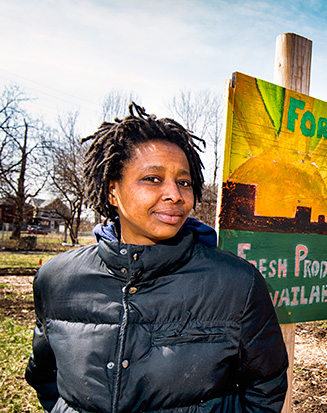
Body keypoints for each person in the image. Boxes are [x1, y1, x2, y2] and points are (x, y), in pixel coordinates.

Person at [25, 104, 288, 412]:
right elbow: (45, 377)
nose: (174, 194)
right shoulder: (57, 279)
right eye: (152, 178)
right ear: (113, 191)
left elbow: (265, 386)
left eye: (184, 181)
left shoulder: (238, 284)